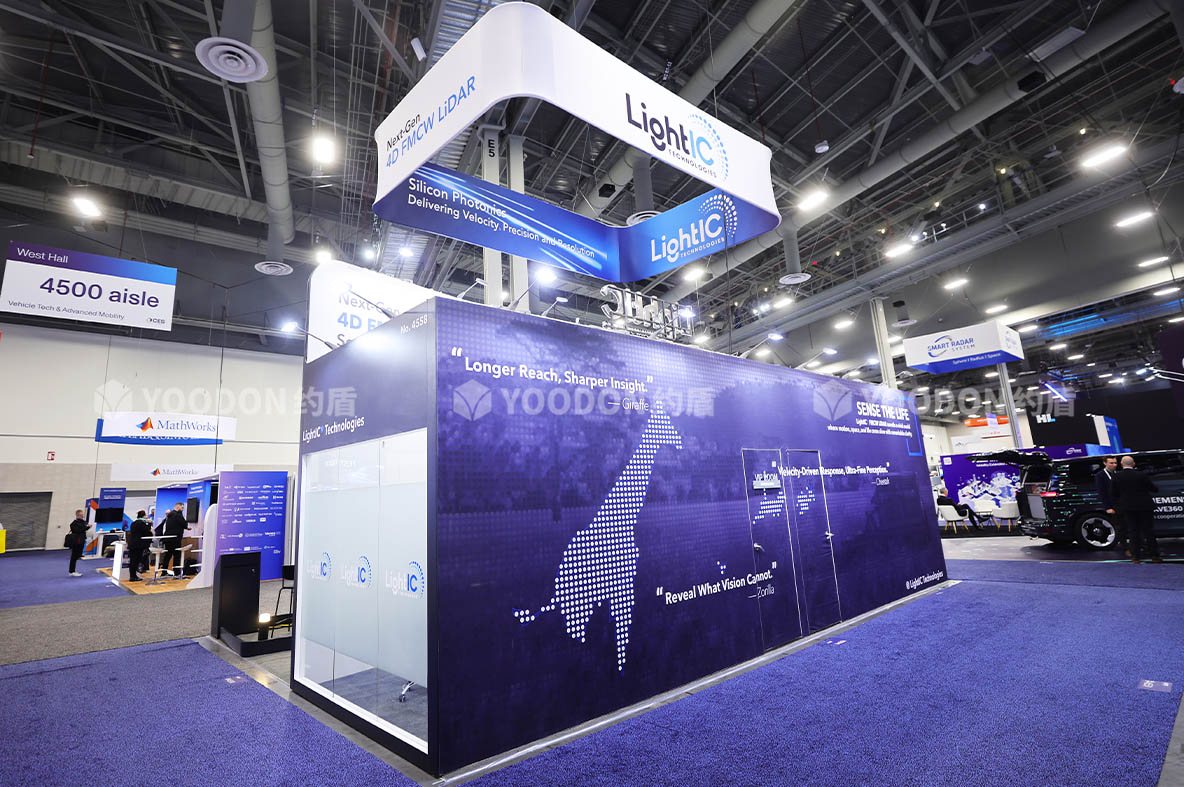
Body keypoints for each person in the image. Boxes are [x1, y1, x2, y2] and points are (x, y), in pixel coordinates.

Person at [1112, 455, 1161, 564]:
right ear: (1134, 464)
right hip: (1145, 506)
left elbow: (1114, 493)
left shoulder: (1116, 476)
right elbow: (1154, 489)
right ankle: (1155, 556)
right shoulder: (1141, 475)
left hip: (1128, 507)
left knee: (1133, 532)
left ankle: (1136, 557)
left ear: (1121, 464)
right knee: (1148, 531)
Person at [1094, 456, 1127, 554]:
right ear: (1105, 463)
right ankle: (1125, 547)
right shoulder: (1100, 475)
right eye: (1111, 463)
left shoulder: (1118, 473)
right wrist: (1108, 507)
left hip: (1124, 504)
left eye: (1115, 463)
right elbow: (1102, 492)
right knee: (1120, 527)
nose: (1114, 465)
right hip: (1113, 505)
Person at [155, 502, 189, 576]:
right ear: (178, 507)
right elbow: (184, 524)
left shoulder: (169, 516)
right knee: (177, 556)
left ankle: (164, 572)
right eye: (182, 508)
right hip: (175, 539)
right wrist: (186, 527)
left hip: (167, 539)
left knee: (167, 556)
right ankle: (177, 573)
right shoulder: (178, 515)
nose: (182, 509)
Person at [127, 510, 153, 582]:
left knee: (133, 561)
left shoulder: (133, 523)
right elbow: (147, 532)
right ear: (144, 516)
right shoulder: (141, 523)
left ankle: (133, 576)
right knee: (136, 561)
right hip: (138, 545)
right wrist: (149, 524)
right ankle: (133, 576)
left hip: (132, 544)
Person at [66, 509, 88, 577]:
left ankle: (72, 570)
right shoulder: (74, 524)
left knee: (76, 556)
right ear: (77, 515)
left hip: (81, 540)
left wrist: (86, 527)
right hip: (76, 541)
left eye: (83, 515)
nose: (82, 516)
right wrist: (87, 527)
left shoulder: (83, 522)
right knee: (74, 556)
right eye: (81, 515)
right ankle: (72, 571)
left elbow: (83, 528)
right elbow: (78, 530)